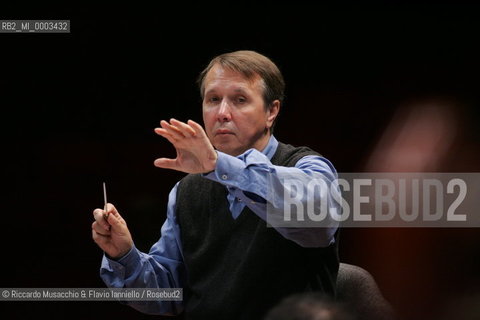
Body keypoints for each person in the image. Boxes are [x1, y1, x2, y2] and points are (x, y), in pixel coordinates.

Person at [91, 50, 340, 320]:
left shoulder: (308, 166)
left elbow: (317, 220)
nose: (222, 113)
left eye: (240, 100)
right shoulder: (186, 191)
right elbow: (170, 293)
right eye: (213, 100)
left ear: (271, 111)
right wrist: (124, 255)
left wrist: (220, 166)